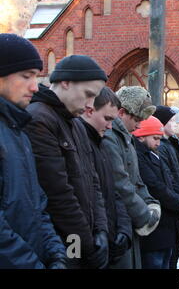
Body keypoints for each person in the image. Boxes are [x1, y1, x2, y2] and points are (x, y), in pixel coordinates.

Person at [25, 54, 108, 269]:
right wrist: (87, 246)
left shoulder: (77, 124)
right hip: (61, 244)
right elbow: (58, 194)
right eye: (88, 95)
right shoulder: (39, 119)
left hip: (81, 238)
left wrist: (101, 230)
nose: (90, 105)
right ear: (66, 82)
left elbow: (93, 181)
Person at [0, 33, 66, 269]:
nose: (34, 86)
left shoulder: (18, 132)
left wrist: (56, 253)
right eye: (26, 76)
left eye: (36, 76)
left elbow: (37, 204)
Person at [103, 86, 161, 269]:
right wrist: (144, 215)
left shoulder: (126, 138)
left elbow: (137, 180)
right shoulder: (111, 137)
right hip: (119, 222)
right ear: (122, 112)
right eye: (137, 119)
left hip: (129, 221)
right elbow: (120, 183)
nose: (139, 126)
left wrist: (151, 203)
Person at [79, 87, 133, 268]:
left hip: (108, 239)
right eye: (107, 119)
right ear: (89, 110)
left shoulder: (100, 143)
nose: (110, 126)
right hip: (90, 243)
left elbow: (113, 191)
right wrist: (98, 235)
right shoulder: (82, 143)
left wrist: (124, 230)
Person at [133, 117, 179, 269]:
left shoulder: (151, 153)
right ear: (142, 136)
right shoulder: (139, 155)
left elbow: (170, 178)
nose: (158, 142)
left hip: (165, 224)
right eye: (155, 138)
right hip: (154, 225)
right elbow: (155, 186)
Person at [153, 105, 179, 268]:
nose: (175, 124)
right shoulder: (162, 146)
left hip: (177, 202)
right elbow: (168, 178)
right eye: (172, 121)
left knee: (174, 253)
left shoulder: (171, 143)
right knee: (168, 257)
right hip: (170, 208)